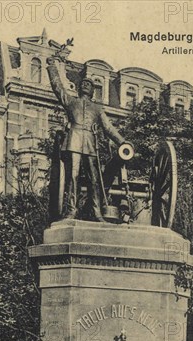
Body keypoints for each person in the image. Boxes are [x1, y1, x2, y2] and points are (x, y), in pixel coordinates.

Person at [47, 58, 125, 221]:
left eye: (89, 84)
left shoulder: (97, 108)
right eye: (83, 83)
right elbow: (57, 87)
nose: (85, 84)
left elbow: (108, 128)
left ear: (93, 91)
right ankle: (71, 211)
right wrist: (51, 66)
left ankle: (96, 212)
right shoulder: (71, 101)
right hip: (74, 140)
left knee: (95, 179)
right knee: (72, 177)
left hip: (90, 142)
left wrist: (122, 142)